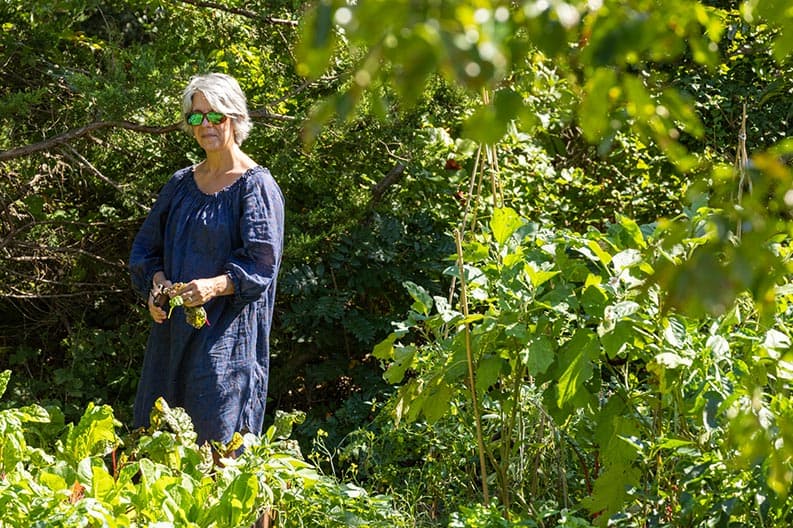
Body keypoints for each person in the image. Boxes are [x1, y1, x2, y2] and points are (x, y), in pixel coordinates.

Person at [129, 73, 285, 449]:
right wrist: (157, 286)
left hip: (225, 343)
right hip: (171, 338)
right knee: (155, 445)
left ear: (235, 118)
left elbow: (262, 265)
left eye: (215, 116)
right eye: (197, 117)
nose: (206, 126)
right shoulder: (181, 184)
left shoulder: (254, 186)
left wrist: (215, 285)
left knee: (216, 448)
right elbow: (145, 252)